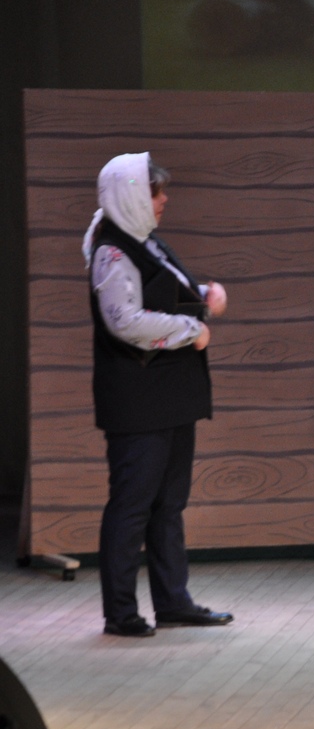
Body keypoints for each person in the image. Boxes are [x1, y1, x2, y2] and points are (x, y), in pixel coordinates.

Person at [84, 153, 234, 637]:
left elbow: (162, 293)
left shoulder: (145, 242)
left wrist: (204, 295)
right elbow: (124, 321)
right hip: (138, 401)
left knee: (169, 504)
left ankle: (173, 603)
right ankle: (121, 613)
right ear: (130, 198)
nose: (164, 199)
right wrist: (193, 330)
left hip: (169, 395)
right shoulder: (112, 252)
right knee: (132, 507)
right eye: (155, 192)